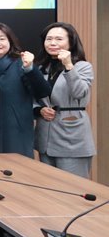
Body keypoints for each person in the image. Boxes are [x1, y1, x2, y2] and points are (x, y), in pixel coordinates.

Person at [0, 22, 51, 157]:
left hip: (15, 132)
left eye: (2, 39)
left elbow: (42, 91)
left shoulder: (21, 63)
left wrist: (30, 68)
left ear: (10, 42)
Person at [34, 22, 94, 178]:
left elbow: (80, 92)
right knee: (48, 186)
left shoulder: (82, 66)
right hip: (45, 137)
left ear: (71, 42)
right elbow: (32, 97)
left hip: (72, 137)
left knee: (74, 186)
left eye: (59, 39)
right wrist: (39, 110)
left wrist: (68, 65)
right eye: (49, 39)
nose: (52, 43)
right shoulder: (40, 68)